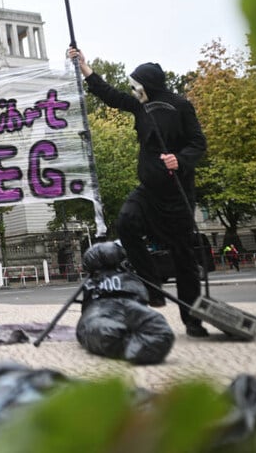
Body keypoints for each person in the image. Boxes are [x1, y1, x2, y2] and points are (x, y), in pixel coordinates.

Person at [67, 48, 210, 338]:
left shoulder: (181, 106)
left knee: (184, 257)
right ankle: (151, 285)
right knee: (126, 223)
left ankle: (192, 319)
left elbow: (198, 142)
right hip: (148, 191)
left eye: (137, 84)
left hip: (178, 195)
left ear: (149, 84)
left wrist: (180, 160)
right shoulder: (139, 106)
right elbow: (109, 95)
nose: (133, 89)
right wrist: (85, 68)